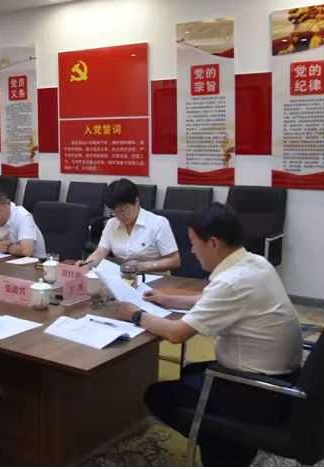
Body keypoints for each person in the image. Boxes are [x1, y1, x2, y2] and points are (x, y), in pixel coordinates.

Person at [116, 204, 302, 466]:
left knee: (158, 395)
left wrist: (136, 314)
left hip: (258, 393)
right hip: (284, 381)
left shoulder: (231, 282)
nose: (192, 251)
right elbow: (214, 297)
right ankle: (230, 442)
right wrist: (169, 299)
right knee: (190, 373)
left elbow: (177, 334)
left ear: (213, 243)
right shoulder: (255, 263)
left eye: (193, 243)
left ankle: (227, 443)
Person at [82, 178, 180, 273]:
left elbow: (175, 260)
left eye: (123, 209)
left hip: (157, 279)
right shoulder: (112, 224)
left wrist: (144, 266)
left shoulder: (158, 223)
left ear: (136, 202)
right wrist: (85, 265)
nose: (120, 216)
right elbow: (100, 252)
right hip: (126, 278)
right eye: (115, 211)